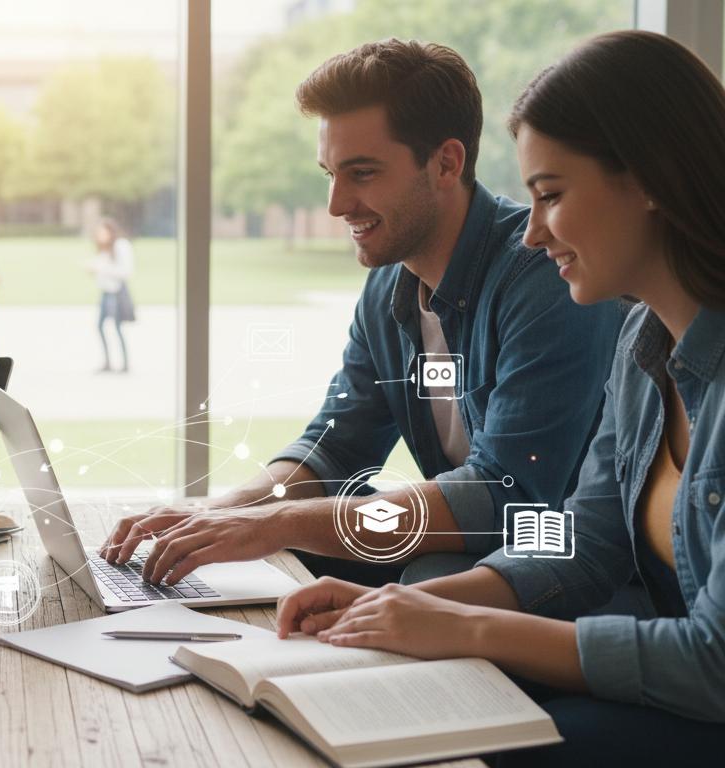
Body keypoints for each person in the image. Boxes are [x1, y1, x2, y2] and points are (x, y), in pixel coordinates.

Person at [275, 31, 725, 765]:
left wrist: (463, 622)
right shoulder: (645, 345)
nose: (535, 230)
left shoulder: (552, 295)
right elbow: (584, 536)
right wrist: (432, 604)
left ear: (651, 179)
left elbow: (712, 663)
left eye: (552, 194)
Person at [100, 39, 625, 589]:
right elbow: (335, 448)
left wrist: (272, 525)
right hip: (474, 553)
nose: (336, 204)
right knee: (293, 554)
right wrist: (225, 512)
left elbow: (504, 498)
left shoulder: (543, 275)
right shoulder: (387, 289)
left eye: (363, 173)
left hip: (556, 564)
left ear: (447, 162)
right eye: (330, 174)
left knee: (390, 560)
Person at [89, 218, 135, 373]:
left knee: (117, 327)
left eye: (103, 232)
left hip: (116, 293)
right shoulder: (104, 249)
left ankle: (125, 363)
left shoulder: (121, 246)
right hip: (105, 292)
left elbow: (126, 272)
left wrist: (103, 269)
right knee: (100, 326)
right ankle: (108, 362)